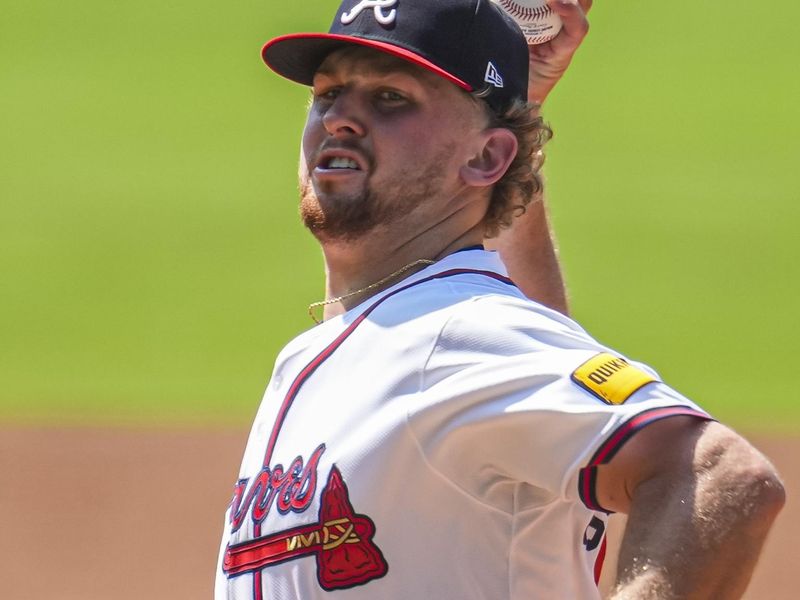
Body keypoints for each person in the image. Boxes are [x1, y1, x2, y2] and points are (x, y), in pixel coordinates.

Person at [216, 1, 785, 598]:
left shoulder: (452, 334)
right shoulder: (353, 345)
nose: (340, 119)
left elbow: (719, 475)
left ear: (487, 157)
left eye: (390, 99)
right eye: (328, 93)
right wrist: (520, 103)